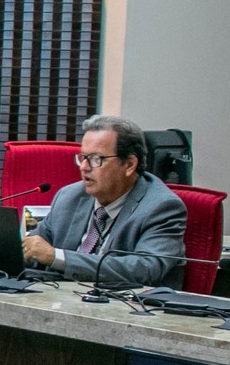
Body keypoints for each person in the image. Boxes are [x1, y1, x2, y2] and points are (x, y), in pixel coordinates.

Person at [22, 113, 186, 287]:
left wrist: (58, 257)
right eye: (82, 158)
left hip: (124, 302)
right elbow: (35, 251)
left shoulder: (162, 207)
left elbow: (145, 269)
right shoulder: (69, 197)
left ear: (129, 164)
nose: (84, 167)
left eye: (96, 159)